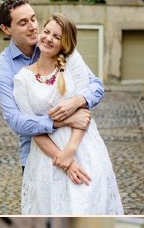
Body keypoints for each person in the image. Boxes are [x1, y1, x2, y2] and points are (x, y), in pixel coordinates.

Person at [12, 13, 123, 214]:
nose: (48, 38)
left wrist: (71, 150)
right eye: (46, 32)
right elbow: (32, 128)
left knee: (87, 206)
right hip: (47, 157)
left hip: (83, 147)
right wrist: (66, 161)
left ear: (64, 44)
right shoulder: (22, 79)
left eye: (56, 36)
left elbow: (84, 112)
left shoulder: (72, 62)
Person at [0, 0, 100, 189]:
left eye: (33, 19)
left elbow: (95, 87)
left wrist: (75, 102)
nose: (33, 27)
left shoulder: (56, 46)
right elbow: (17, 121)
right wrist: (64, 121)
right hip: (37, 155)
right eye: (23, 23)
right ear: (6, 29)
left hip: (80, 146)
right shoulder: (2, 70)